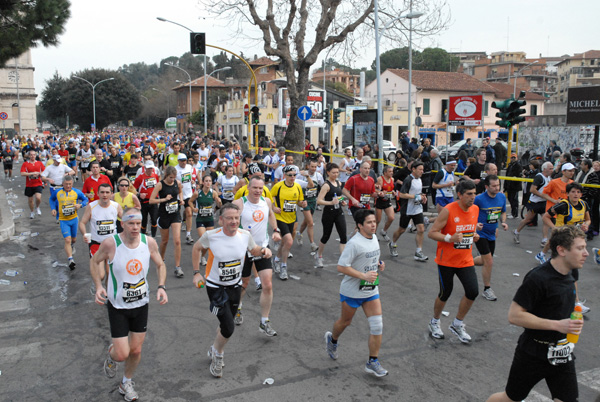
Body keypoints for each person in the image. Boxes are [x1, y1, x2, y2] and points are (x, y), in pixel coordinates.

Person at [485, 225, 587, 402]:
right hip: (533, 353)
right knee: (511, 398)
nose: (586, 253)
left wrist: (573, 317)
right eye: (580, 248)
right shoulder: (538, 278)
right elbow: (515, 315)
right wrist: (558, 325)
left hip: (562, 352)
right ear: (561, 250)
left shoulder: (572, 271)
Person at [91, 208, 168, 402]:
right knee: (122, 353)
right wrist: (99, 286)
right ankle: (112, 354)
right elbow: (95, 261)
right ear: (122, 223)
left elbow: (160, 264)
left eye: (138, 223)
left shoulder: (148, 242)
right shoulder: (111, 243)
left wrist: (161, 286)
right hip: (118, 306)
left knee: (136, 350)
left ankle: (126, 382)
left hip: (141, 304)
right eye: (131, 223)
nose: (135, 227)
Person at [191, 203, 270, 378]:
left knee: (226, 324)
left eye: (236, 218)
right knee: (228, 326)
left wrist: (264, 250)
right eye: (229, 218)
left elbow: (254, 249)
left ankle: (214, 349)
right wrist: (197, 273)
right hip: (215, 288)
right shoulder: (211, 236)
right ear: (221, 220)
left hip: (235, 286)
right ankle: (218, 356)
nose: (234, 221)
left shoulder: (244, 235)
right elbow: (196, 248)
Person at [324, 209, 388, 377]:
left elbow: (371, 258)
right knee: (345, 322)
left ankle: (372, 361)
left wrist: (379, 263)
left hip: (371, 289)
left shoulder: (374, 237)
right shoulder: (354, 243)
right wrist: (363, 275)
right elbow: (341, 266)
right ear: (360, 225)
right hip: (352, 291)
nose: (373, 225)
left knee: (377, 325)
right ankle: (332, 340)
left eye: (374, 221)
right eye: (369, 222)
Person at [427, 179, 481, 343]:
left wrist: (474, 236)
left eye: (474, 194)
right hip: (446, 260)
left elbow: (467, 231)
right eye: (469, 194)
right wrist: (449, 238)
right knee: (445, 293)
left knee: (472, 291)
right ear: (459, 195)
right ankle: (435, 321)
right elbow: (432, 233)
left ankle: (457, 324)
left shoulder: (475, 209)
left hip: (465, 259)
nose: (473, 197)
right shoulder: (449, 210)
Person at [233, 176, 281, 332]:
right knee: (244, 284)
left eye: (260, 188)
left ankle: (264, 321)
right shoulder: (239, 204)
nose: (258, 191)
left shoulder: (266, 201)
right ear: (248, 188)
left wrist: (275, 230)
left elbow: (271, 215)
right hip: (244, 250)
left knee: (267, 284)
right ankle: (237, 308)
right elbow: (225, 222)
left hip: (262, 248)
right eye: (255, 188)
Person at [473, 175, 508, 301]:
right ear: (486, 187)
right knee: (489, 261)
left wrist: (503, 222)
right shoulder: (479, 199)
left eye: (498, 185)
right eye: (493, 186)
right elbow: (471, 213)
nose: (496, 188)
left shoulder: (502, 197)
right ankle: (487, 289)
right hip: (480, 234)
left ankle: (466, 263)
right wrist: (475, 224)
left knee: (484, 260)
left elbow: (502, 211)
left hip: (492, 233)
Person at [270, 165, 306, 280]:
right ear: (284, 175)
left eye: (295, 175)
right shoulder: (278, 186)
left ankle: (276, 260)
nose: (293, 177)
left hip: (291, 218)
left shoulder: (297, 187)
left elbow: (299, 202)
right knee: (289, 242)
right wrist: (274, 207)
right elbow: (270, 198)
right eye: (290, 175)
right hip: (280, 218)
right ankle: (283, 267)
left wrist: (302, 204)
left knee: (284, 243)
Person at [388, 161, 429, 262]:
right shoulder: (408, 179)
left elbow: (418, 192)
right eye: (420, 169)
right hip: (407, 209)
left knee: (420, 229)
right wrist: (415, 196)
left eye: (422, 170)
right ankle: (392, 244)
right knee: (401, 230)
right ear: (413, 169)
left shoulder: (419, 179)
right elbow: (401, 194)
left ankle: (418, 252)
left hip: (417, 208)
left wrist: (423, 196)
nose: (422, 171)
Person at [149, 166, 185, 278]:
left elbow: (180, 192)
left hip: (175, 214)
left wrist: (181, 199)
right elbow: (151, 200)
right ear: (166, 176)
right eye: (170, 178)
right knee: (164, 241)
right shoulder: (160, 185)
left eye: (174, 178)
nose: (172, 180)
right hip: (164, 215)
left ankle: (178, 267)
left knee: (177, 241)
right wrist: (164, 199)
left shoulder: (177, 183)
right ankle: (161, 260)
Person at [49, 175, 89, 270]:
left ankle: (72, 245)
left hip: (74, 219)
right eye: (66, 184)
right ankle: (70, 259)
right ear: (62, 184)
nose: (68, 186)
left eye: (70, 184)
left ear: (72, 184)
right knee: (67, 239)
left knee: (73, 239)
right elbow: (51, 199)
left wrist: (80, 205)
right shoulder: (58, 192)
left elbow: (86, 200)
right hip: (63, 220)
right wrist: (53, 209)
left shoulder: (76, 192)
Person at [79, 183, 122, 263]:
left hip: (111, 243)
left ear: (111, 194)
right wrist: (84, 234)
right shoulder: (91, 206)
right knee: (100, 274)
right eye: (102, 192)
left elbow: (126, 221)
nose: (104, 195)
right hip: (96, 244)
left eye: (107, 192)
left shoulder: (116, 206)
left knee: (110, 272)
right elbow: (82, 222)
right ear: (98, 193)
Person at [315, 163, 348, 268]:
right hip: (328, 213)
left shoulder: (338, 182)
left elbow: (339, 197)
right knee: (326, 236)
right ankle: (319, 255)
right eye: (333, 172)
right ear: (328, 172)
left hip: (339, 212)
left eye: (337, 172)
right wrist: (330, 203)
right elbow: (319, 201)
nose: (336, 174)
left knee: (343, 236)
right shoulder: (326, 185)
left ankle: (343, 262)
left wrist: (342, 201)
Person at [513, 161, 554, 245]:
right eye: (550, 169)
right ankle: (516, 232)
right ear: (544, 169)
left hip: (543, 203)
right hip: (535, 203)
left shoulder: (549, 178)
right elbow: (532, 190)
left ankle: (544, 239)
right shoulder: (539, 177)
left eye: (552, 168)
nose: (552, 170)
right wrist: (542, 195)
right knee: (528, 219)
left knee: (546, 220)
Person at [538, 162, 576, 248]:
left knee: (559, 232)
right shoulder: (554, 182)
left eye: (573, 171)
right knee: (552, 228)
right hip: (553, 210)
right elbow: (544, 194)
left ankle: (553, 246)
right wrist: (554, 201)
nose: (572, 173)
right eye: (569, 171)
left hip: (564, 212)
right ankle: (545, 240)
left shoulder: (572, 183)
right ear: (563, 171)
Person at [188, 174, 222, 265]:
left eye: (210, 181)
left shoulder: (213, 192)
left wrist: (219, 202)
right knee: (204, 238)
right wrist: (193, 208)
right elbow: (190, 201)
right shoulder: (197, 193)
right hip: (200, 219)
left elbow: (219, 206)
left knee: (208, 241)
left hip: (209, 219)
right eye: (206, 181)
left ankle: (202, 256)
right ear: (203, 182)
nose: (208, 183)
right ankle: (198, 254)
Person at [295, 159, 324, 253]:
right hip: (304, 202)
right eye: (312, 166)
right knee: (310, 223)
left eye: (315, 167)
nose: (314, 169)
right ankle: (312, 244)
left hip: (313, 201)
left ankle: (299, 234)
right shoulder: (301, 175)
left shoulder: (318, 176)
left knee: (306, 221)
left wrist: (321, 197)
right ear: (308, 166)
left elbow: (323, 186)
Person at [133, 161, 160, 237]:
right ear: (145, 168)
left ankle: (153, 237)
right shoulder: (140, 177)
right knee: (144, 221)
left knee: (154, 220)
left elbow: (157, 186)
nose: (150, 170)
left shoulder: (155, 176)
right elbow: (132, 189)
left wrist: (157, 197)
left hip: (153, 201)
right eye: (148, 168)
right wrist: (139, 194)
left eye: (151, 168)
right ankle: (143, 237)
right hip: (144, 202)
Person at [175, 153, 197, 245]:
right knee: (176, 216)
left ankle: (188, 235)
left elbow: (192, 177)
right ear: (178, 161)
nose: (184, 162)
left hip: (188, 194)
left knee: (189, 212)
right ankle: (176, 235)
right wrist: (177, 185)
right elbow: (171, 180)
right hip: (177, 195)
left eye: (185, 160)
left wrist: (193, 181)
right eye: (182, 161)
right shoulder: (175, 169)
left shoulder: (189, 167)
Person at [373, 165, 397, 242]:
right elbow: (373, 188)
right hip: (379, 201)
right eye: (390, 171)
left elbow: (391, 189)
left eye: (392, 171)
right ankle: (374, 234)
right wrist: (380, 192)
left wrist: (392, 192)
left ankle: (384, 231)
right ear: (385, 172)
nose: (391, 173)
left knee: (391, 217)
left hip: (387, 200)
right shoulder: (380, 179)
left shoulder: (392, 179)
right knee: (378, 220)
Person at [20, 150, 46, 219]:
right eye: (31, 155)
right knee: (30, 200)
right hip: (29, 184)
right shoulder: (25, 164)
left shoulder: (39, 163)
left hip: (38, 183)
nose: (32, 156)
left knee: (38, 197)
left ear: (36, 155)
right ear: (29, 156)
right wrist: (31, 173)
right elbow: (22, 173)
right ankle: (32, 211)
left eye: (34, 155)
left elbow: (44, 171)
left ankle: (37, 207)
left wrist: (39, 173)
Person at [503, 153, 522, 219]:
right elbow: (507, 175)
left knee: (514, 200)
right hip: (509, 185)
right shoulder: (510, 165)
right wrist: (505, 186)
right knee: (510, 199)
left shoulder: (518, 166)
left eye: (514, 157)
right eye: (512, 157)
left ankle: (515, 214)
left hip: (514, 186)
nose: (513, 159)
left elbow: (519, 175)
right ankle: (512, 212)